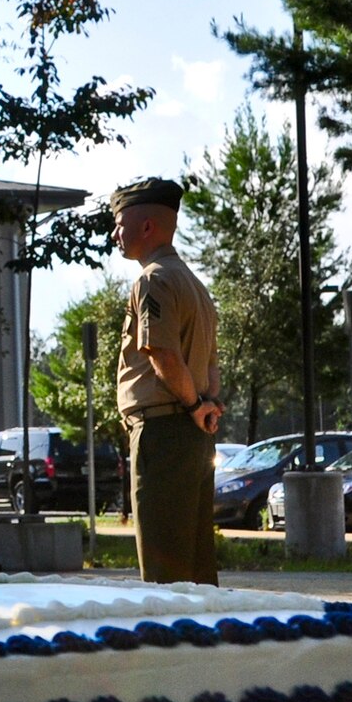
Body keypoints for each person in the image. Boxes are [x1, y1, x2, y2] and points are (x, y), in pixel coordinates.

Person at [112, 176, 223, 585]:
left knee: (164, 575)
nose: (114, 234)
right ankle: (207, 645)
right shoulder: (195, 284)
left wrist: (194, 406)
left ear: (146, 227)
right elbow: (211, 363)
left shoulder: (152, 280)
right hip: (193, 434)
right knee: (195, 568)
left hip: (161, 431)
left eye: (120, 224)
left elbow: (160, 352)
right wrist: (205, 408)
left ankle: (171, 648)